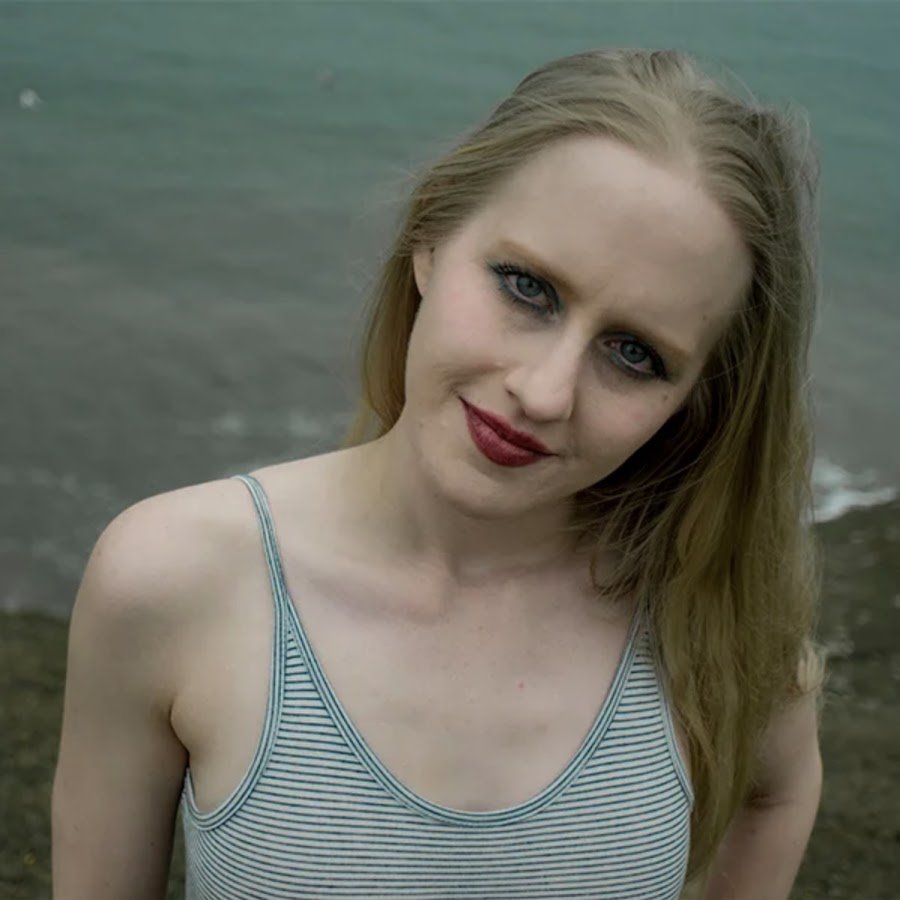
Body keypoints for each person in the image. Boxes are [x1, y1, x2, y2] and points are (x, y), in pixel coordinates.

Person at [51, 48, 824, 899]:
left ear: (697, 402)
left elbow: (779, 790)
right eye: (526, 287)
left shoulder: (712, 615)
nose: (543, 392)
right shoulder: (172, 580)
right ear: (430, 238)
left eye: (635, 354)